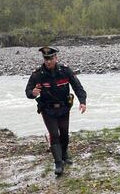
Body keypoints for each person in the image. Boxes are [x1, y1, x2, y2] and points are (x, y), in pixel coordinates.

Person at [25, 47, 87, 176]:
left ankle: (64, 155)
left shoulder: (65, 71)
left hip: (64, 108)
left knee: (64, 133)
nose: (48, 62)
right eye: (46, 59)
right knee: (54, 134)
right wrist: (33, 93)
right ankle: (58, 163)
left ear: (56, 58)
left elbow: (77, 87)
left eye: (51, 58)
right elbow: (28, 92)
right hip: (47, 109)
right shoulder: (37, 74)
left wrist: (82, 101)